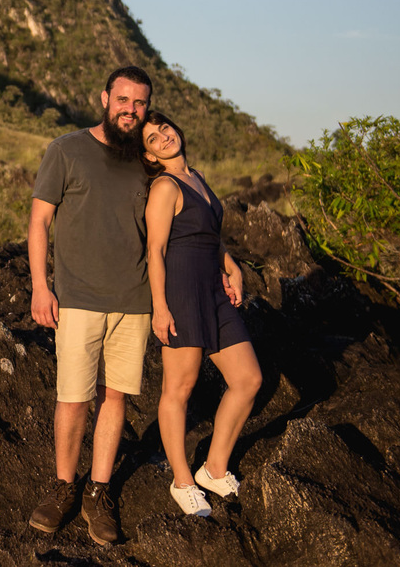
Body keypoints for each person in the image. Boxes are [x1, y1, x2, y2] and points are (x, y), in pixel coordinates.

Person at [27, 65, 153, 545]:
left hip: (135, 301)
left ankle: (98, 492)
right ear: (105, 98)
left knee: (115, 397)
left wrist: (224, 259)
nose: (131, 110)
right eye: (123, 100)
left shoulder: (146, 160)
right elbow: (40, 222)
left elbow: (179, 214)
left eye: (140, 103)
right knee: (74, 398)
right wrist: (42, 286)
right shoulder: (66, 149)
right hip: (77, 298)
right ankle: (63, 486)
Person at [141, 110, 262, 516]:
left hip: (213, 289)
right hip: (182, 291)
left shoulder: (198, 178)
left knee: (248, 379)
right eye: (153, 140)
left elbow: (210, 237)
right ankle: (182, 480)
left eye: (164, 130)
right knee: (179, 388)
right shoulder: (164, 186)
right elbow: (155, 251)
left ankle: (213, 468)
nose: (163, 138)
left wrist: (232, 266)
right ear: (150, 157)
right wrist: (160, 307)